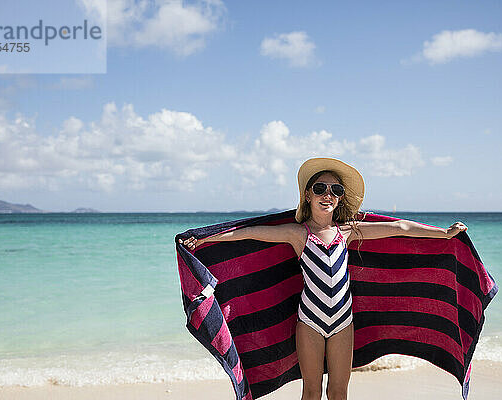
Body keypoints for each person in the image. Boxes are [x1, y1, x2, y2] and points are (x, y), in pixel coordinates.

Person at [179, 157, 467, 400]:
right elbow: (247, 233)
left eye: (334, 189)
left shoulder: (349, 231)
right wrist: (205, 241)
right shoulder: (298, 234)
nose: (327, 194)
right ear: (308, 195)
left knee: (339, 392)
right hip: (309, 324)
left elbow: (401, 228)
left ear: (340, 197)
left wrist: (443, 233)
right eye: (320, 188)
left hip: (344, 323)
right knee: (312, 392)